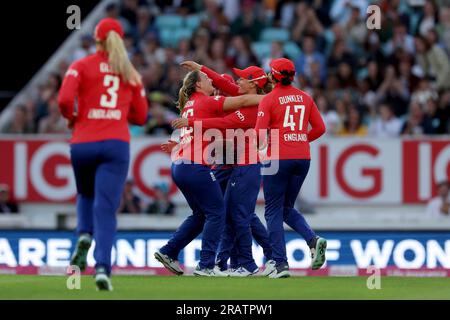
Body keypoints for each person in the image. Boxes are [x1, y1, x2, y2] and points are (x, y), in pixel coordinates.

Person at [58, 18, 148, 290]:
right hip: (115, 143)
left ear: (96, 39)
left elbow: (63, 100)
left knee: (85, 193)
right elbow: (141, 116)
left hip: (83, 142)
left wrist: (74, 118)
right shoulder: (130, 73)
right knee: (106, 207)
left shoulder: (80, 66)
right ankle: (102, 268)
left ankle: (84, 234)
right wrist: (120, 112)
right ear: (121, 41)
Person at [154, 70, 263, 277]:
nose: (210, 80)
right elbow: (243, 101)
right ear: (198, 85)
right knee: (217, 212)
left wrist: (176, 143)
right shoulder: (207, 102)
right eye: (206, 79)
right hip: (196, 166)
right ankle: (206, 265)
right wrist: (271, 98)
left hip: (179, 165)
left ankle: (168, 251)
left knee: (201, 214)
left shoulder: (189, 105)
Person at [255, 58, 327, 278]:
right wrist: (300, 139)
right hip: (302, 158)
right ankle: (313, 240)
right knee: (286, 208)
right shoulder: (305, 97)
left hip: (278, 158)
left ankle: (279, 263)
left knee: (273, 210)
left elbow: (259, 133)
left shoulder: (268, 99)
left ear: (274, 75)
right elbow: (320, 128)